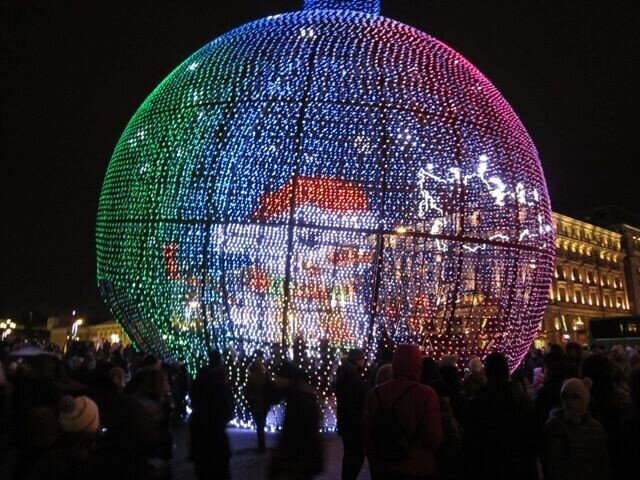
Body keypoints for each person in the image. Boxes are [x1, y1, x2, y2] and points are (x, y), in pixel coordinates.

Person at [364, 344, 442, 480]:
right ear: (418, 364)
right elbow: (433, 437)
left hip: (384, 466)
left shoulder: (375, 394)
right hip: (417, 466)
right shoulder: (426, 394)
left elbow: (367, 432)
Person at [463, 353, 537, 480]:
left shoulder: (477, 401)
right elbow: (531, 435)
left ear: (486, 371)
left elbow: (472, 439)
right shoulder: (521, 398)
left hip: (489, 464)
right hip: (518, 463)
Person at [542, 378, 610, 480]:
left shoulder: (596, 428)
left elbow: (602, 462)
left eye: (575, 397)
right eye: (565, 396)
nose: (569, 401)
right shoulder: (554, 425)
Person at [269, 361, 323, 480]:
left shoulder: (300, 398)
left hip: (298, 460)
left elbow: (297, 432)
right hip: (301, 458)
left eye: (279, 377)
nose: (277, 380)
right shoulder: (297, 393)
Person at [189, 351, 233, 480]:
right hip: (215, 435)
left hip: (202, 435)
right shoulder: (220, 386)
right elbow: (228, 410)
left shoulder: (202, 375)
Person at [335, 348, 367, 480]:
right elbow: (354, 401)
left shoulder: (346, 373)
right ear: (357, 360)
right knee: (355, 456)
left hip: (346, 422)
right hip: (353, 423)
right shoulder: (352, 377)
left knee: (350, 455)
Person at [246, 356, 272, 452]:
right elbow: (269, 389)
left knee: (259, 425)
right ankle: (262, 444)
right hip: (263, 403)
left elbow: (248, 391)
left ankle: (261, 444)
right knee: (261, 424)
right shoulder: (265, 376)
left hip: (256, 404)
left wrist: (250, 400)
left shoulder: (251, 378)